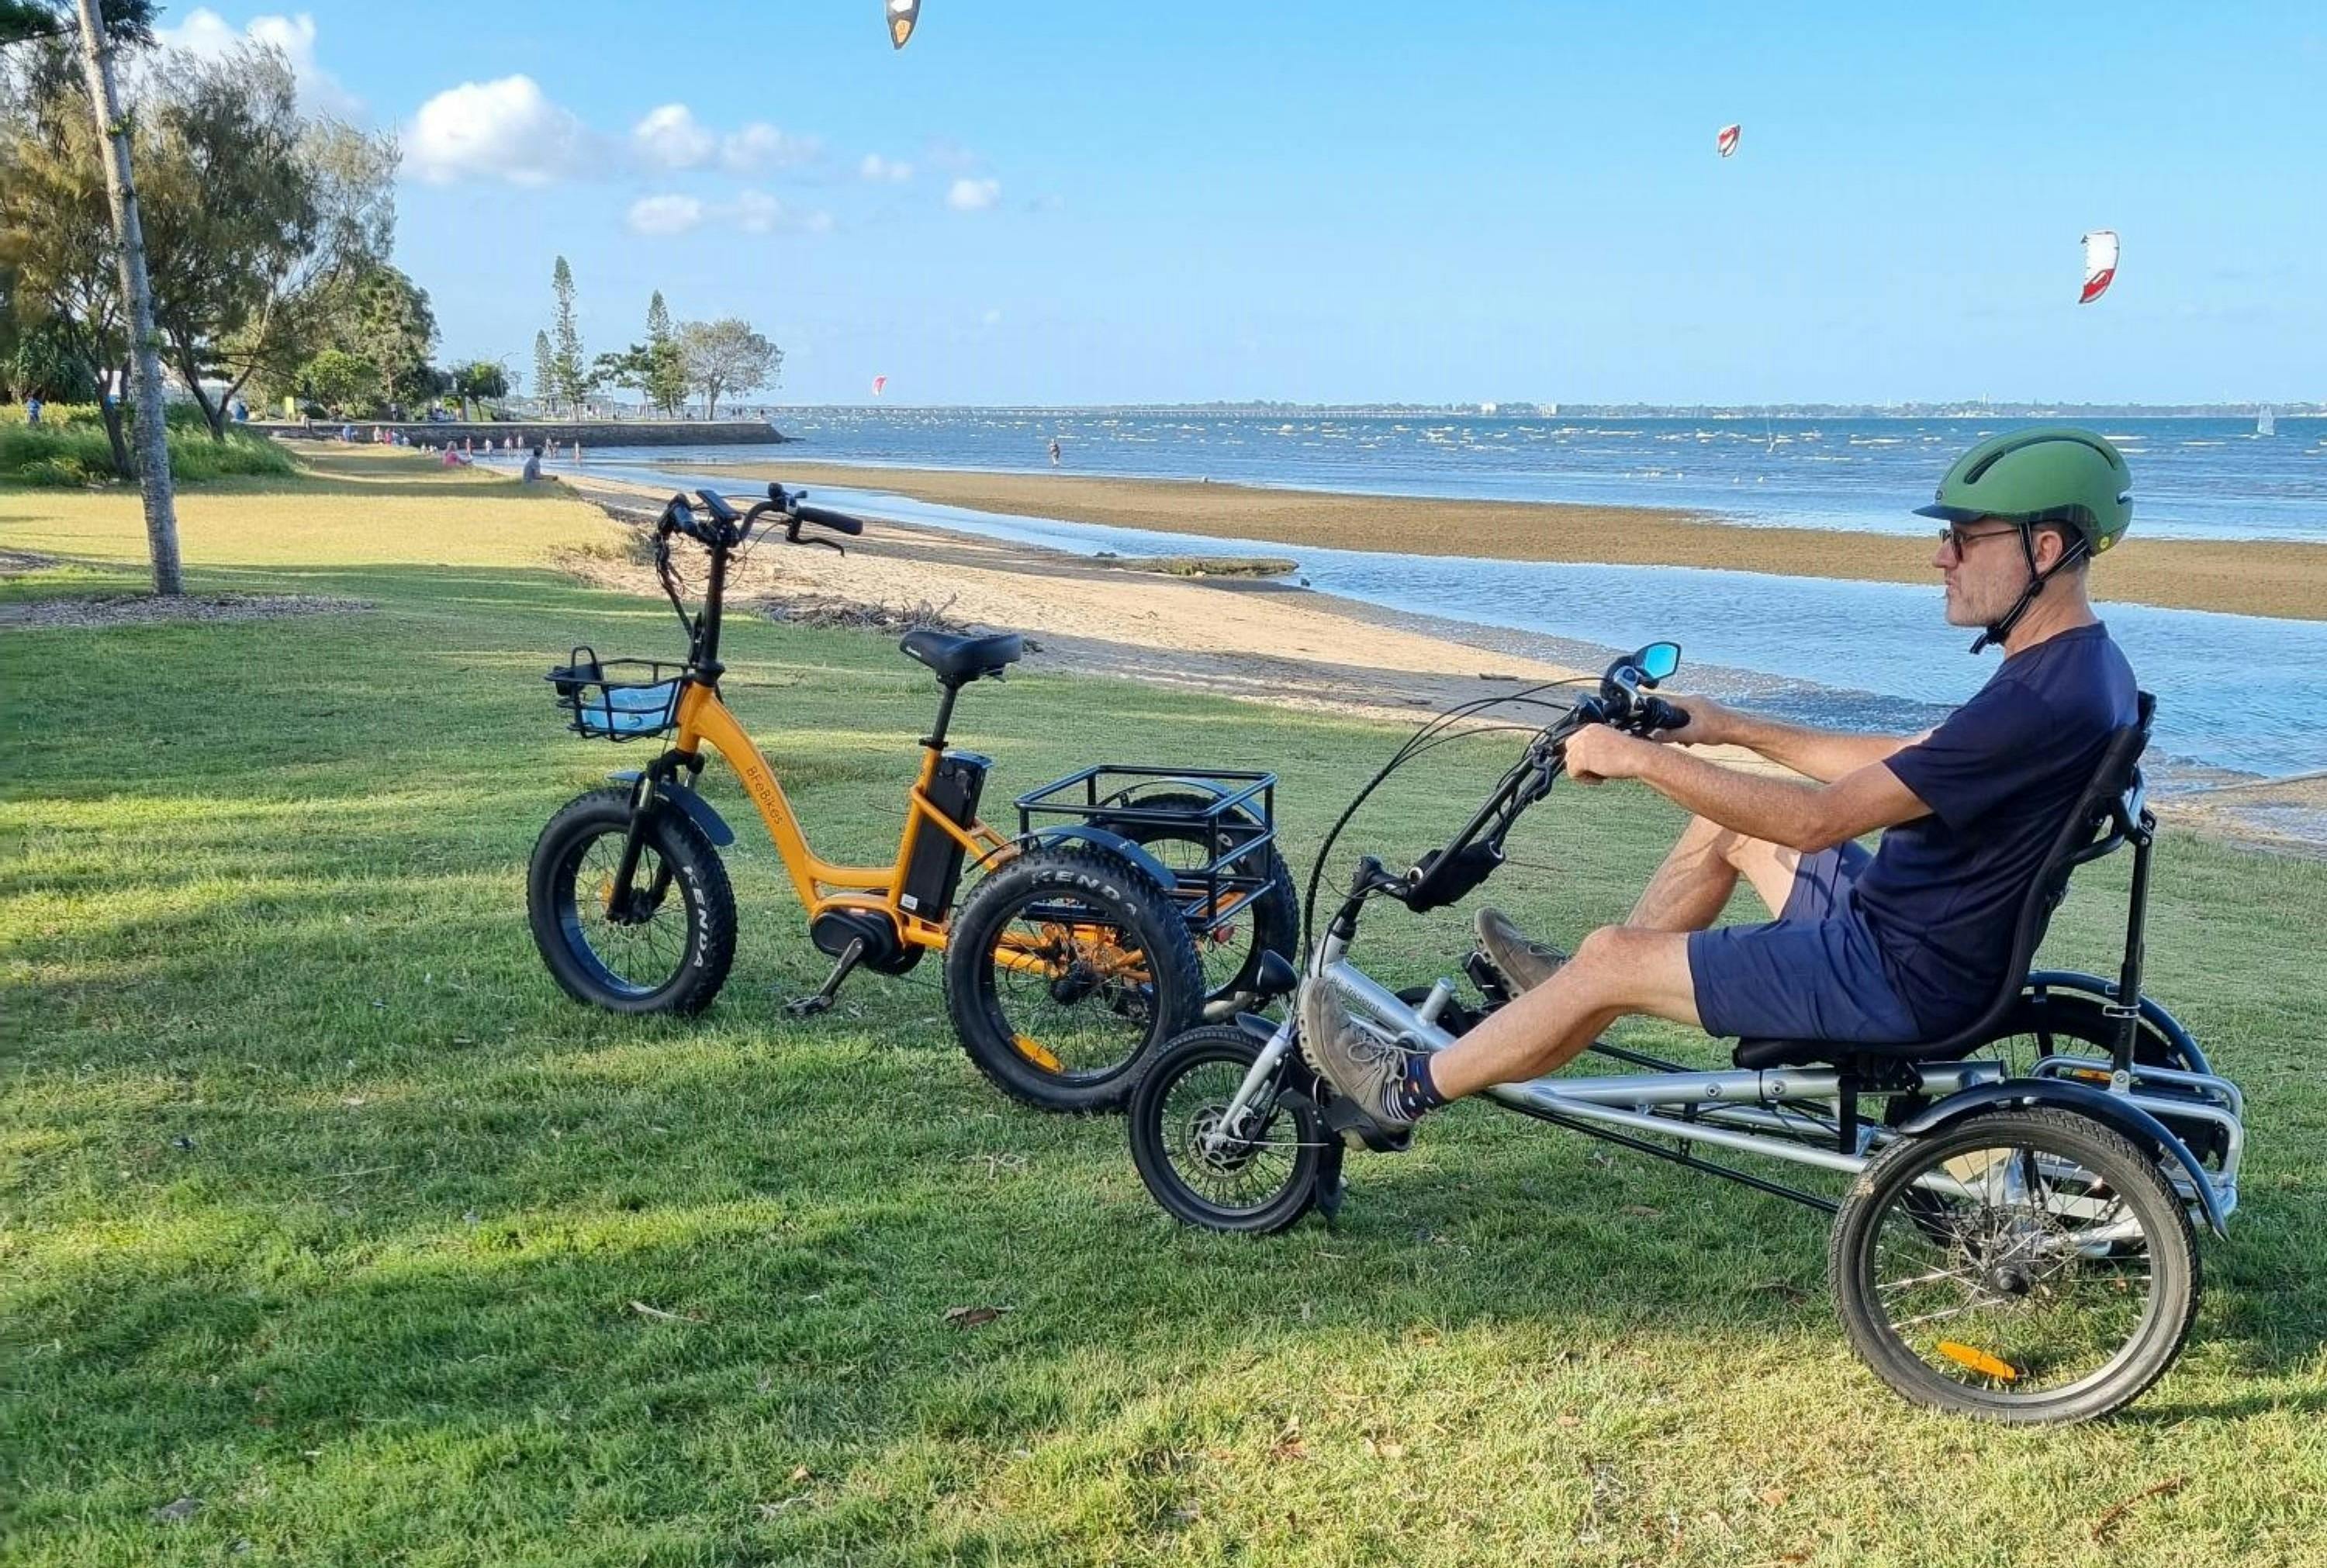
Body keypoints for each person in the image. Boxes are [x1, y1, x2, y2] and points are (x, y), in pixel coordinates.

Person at [1300, 428, 2142, 1135]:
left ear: (2044, 548)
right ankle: (1566, 1002)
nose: (1940, 556)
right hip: (1907, 932)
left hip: (1888, 973)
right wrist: (1730, 725)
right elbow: (1892, 760)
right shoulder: (2077, 670)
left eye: (1965, 536)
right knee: (1731, 830)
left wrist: (1636, 757)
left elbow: (1820, 823)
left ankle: (1400, 1087)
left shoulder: (2033, 701)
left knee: (1608, 958)